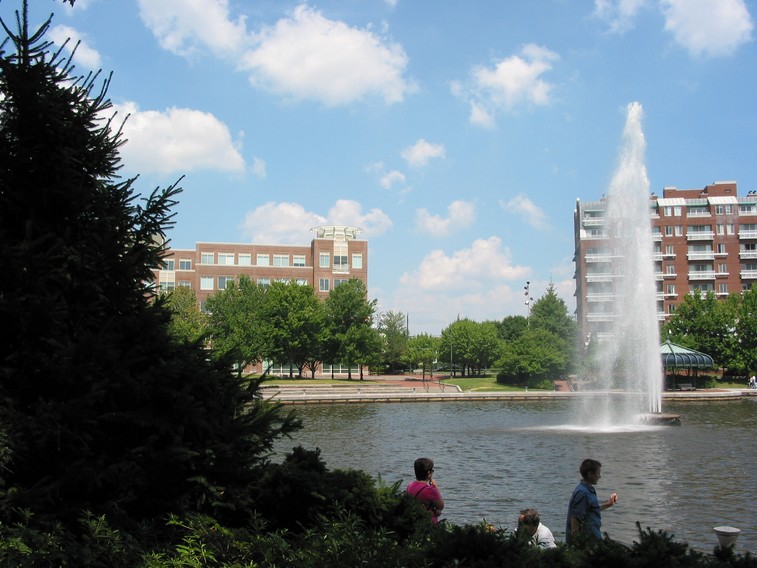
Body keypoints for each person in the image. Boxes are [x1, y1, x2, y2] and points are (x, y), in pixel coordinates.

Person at [565, 458, 618, 545]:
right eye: (598, 473)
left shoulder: (589, 490)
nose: (600, 476)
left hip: (594, 540)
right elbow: (575, 519)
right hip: (587, 544)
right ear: (590, 474)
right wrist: (576, 545)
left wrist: (609, 503)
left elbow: (591, 509)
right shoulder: (582, 493)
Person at [407, 457, 444, 524]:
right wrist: (435, 486)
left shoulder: (410, 486)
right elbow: (441, 506)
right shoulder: (429, 490)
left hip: (414, 522)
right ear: (429, 473)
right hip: (428, 524)